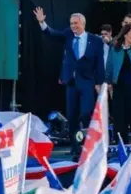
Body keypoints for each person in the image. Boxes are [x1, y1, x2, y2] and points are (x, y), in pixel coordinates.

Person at [34, 7, 105, 137]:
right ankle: (75, 146)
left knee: (85, 114)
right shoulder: (68, 34)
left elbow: (100, 64)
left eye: (75, 23)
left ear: (83, 24)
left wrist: (100, 83)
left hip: (87, 82)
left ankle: (89, 142)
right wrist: (42, 23)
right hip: (71, 82)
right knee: (72, 116)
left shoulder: (96, 41)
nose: (73, 26)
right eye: (71, 23)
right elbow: (51, 33)